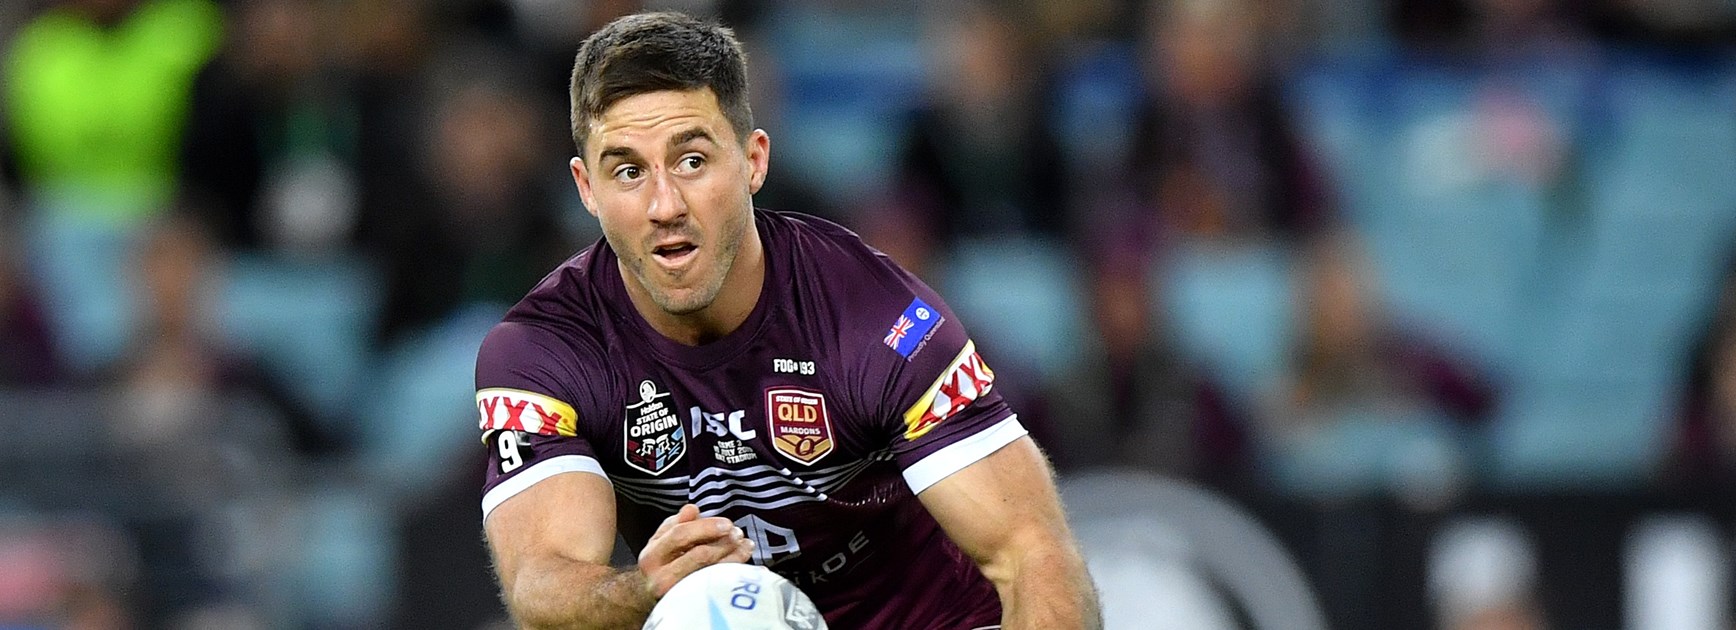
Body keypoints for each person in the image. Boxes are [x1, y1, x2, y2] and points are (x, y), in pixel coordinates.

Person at [473, 11, 1100, 630]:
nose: (665, 205)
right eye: (629, 171)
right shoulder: (545, 352)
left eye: (692, 160)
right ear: (586, 187)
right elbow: (542, 580)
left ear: (753, 161)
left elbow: (1032, 555)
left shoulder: (878, 321)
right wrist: (643, 589)